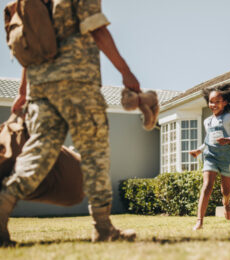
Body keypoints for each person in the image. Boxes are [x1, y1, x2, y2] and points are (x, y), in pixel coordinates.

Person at [0, 0, 140, 246]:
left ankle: (3, 205)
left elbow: (33, 43)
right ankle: (103, 227)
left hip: (40, 88)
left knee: (38, 152)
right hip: (77, 84)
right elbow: (96, 28)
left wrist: (23, 91)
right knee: (95, 154)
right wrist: (126, 72)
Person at [189, 84, 230, 230]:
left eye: (217, 101)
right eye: (211, 101)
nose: (213, 105)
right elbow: (208, 141)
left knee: (225, 191)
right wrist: (199, 150)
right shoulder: (207, 121)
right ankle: (199, 221)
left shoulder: (229, 117)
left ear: (224, 102)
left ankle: (226, 204)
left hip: (226, 157)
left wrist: (228, 140)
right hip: (211, 156)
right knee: (207, 185)